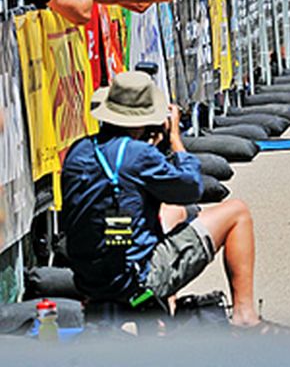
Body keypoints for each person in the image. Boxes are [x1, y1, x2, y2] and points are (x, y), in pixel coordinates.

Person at [60, 71, 273, 330]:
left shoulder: (79, 151)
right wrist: (174, 140)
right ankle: (244, 316)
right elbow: (191, 187)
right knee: (237, 212)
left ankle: (164, 313)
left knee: (176, 212)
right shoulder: (139, 155)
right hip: (137, 278)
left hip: (89, 277)